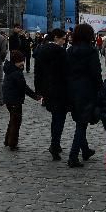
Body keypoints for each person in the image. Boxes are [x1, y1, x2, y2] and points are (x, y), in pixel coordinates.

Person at [65, 23, 103, 168]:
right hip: (87, 90)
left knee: (80, 121)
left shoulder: (70, 51)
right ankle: (73, 156)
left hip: (72, 89)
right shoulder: (91, 51)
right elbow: (95, 73)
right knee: (82, 123)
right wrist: (100, 89)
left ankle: (85, 150)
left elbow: (66, 71)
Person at [34, 28, 68, 160]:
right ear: (56, 38)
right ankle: (55, 144)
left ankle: (55, 144)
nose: (64, 42)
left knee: (55, 117)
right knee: (59, 118)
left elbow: (37, 72)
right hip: (60, 89)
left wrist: (39, 91)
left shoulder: (41, 50)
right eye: (63, 39)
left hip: (47, 89)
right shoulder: (60, 52)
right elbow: (66, 72)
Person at [1, 51, 41, 150]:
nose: (22, 63)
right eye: (21, 61)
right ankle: (12, 143)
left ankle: (7, 140)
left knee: (13, 120)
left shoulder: (10, 69)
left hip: (9, 99)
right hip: (14, 100)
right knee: (16, 122)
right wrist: (36, 97)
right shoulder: (16, 73)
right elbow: (24, 87)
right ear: (16, 62)